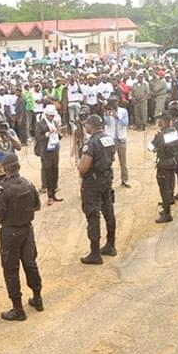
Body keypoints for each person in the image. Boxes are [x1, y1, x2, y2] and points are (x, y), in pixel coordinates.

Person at [0, 153, 43, 321]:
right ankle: (37, 298)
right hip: (27, 230)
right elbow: (37, 206)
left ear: (6, 169)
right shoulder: (28, 183)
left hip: (10, 233)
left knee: (11, 270)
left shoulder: (3, 188)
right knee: (30, 264)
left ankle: (18, 309)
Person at [77, 115, 117, 265]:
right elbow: (112, 157)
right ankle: (111, 245)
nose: (85, 127)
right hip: (106, 179)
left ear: (91, 126)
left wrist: (79, 167)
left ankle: (95, 253)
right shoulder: (108, 138)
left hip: (92, 184)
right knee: (109, 212)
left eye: (87, 125)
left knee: (93, 215)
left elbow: (83, 167)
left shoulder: (91, 142)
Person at [150, 112, 178, 223]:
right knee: (170, 186)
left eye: (160, 120)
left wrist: (155, 139)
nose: (158, 122)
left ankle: (167, 213)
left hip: (163, 163)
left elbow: (151, 147)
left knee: (164, 188)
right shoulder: (173, 131)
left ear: (164, 121)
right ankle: (166, 209)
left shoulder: (161, 135)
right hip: (172, 162)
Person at [34, 105, 64, 205]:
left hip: (55, 149)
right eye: (50, 115)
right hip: (46, 151)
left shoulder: (54, 122)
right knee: (48, 173)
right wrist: (47, 133)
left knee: (55, 171)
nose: (52, 117)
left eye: (53, 115)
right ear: (46, 114)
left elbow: (57, 136)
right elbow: (38, 137)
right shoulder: (40, 124)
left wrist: (59, 135)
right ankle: (49, 196)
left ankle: (54, 193)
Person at [103, 96, 130, 188]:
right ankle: (107, 181)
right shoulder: (107, 112)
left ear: (118, 102)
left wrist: (116, 116)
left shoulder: (123, 111)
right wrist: (107, 113)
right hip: (110, 140)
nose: (114, 104)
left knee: (123, 161)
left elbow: (125, 123)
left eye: (115, 102)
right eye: (112, 102)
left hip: (121, 139)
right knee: (108, 161)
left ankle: (125, 179)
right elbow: (106, 123)